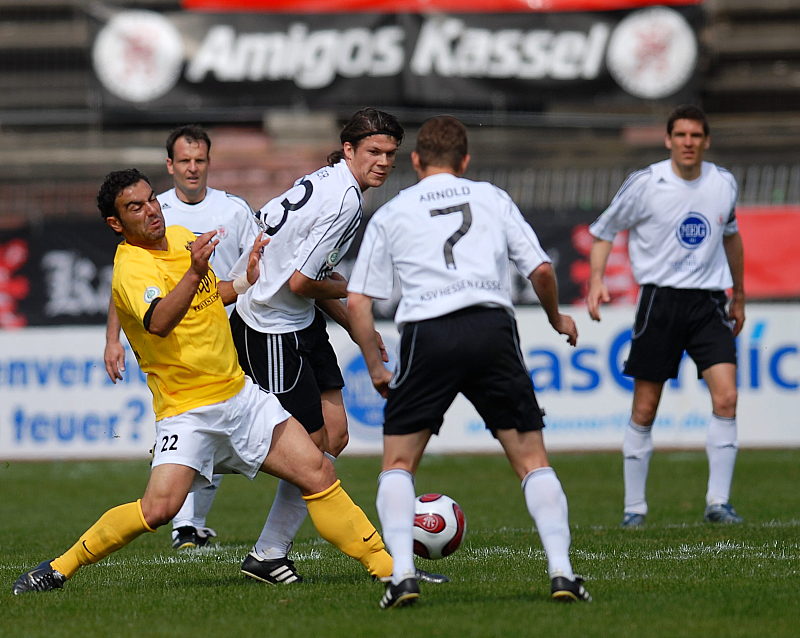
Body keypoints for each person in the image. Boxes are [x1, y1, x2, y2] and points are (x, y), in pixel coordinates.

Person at [12, 168, 395, 595]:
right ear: (116, 224)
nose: (150, 210)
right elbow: (160, 321)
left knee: (318, 471)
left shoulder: (180, 238)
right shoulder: (131, 269)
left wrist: (246, 279)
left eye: (150, 199)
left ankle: (390, 571)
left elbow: (211, 297)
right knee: (158, 510)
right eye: (135, 207)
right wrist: (194, 272)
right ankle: (58, 568)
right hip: (187, 413)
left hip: (239, 398)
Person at [346, 115, 591, 608]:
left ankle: (402, 577)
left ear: (416, 160)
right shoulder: (491, 197)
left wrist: (375, 366)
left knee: (398, 463)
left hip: (428, 334)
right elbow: (542, 270)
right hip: (490, 327)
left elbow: (357, 302)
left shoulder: (393, 211)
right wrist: (555, 317)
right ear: (465, 160)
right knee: (531, 460)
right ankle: (563, 573)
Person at [228, 107, 444, 587]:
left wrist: (352, 322)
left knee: (335, 437)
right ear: (349, 149)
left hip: (299, 321)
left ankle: (267, 553)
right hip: (270, 328)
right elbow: (303, 281)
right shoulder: (345, 201)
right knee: (309, 453)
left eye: (390, 153)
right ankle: (211, 461)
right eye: (373, 151)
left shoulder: (330, 182)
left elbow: (305, 276)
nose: (383, 162)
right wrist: (354, 289)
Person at [586, 104, 745, 528]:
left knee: (727, 398)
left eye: (696, 135)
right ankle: (634, 508)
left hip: (709, 302)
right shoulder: (646, 183)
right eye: (681, 135)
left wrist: (740, 295)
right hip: (660, 302)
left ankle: (719, 502)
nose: (688, 142)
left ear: (706, 141)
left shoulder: (723, 183)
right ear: (668, 140)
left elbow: (731, 237)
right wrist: (597, 279)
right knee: (645, 407)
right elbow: (603, 231)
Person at [104, 125, 257, 550]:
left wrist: (250, 283)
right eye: (184, 160)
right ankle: (186, 521)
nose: (192, 168)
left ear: (209, 163)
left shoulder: (234, 210)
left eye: (199, 160)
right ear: (170, 165)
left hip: (232, 327)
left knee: (227, 424)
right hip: (177, 340)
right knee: (204, 422)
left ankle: (192, 517)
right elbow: (127, 291)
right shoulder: (155, 214)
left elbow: (252, 265)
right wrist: (113, 339)